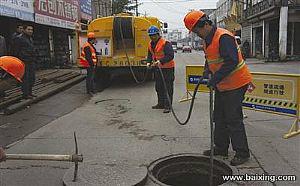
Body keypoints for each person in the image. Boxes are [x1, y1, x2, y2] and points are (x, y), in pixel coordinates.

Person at [184, 10, 253, 166]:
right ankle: (221, 148)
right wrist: (206, 71)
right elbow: (210, 59)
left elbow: (232, 61)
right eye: (194, 32)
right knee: (219, 117)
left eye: (196, 30)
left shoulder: (224, 37)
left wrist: (214, 78)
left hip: (236, 83)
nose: (197, 34)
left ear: (205, 24)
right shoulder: (206, 40)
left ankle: (242, 153)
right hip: (223, 85)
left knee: (233, 119)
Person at [146, 25, 175, 114]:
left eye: (154, 35)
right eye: (151, 35)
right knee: (159, 87)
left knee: (167, 87)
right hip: (158, 69)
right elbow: (150, 54)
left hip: (168, 69)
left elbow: (170, 55)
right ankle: (161, 103)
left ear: (158, 34)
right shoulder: (151, 44)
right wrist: (148, 62)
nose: (152, 37)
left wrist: (160, 61)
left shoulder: (165, 43)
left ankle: (168, 106)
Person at [13, 24, 36, 99]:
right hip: (24, 61)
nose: (30, 31)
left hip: (31, 61)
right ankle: (25, 94)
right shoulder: (19, 38)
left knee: (32, 78)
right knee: (25, 78)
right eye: (28, 29)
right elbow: (16, 50)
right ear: (24, 30)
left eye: (31, 30)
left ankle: (30, 92)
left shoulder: (30, 39)